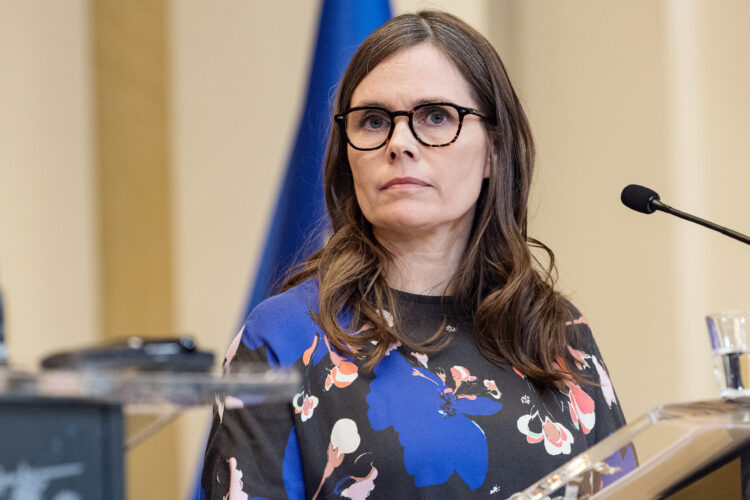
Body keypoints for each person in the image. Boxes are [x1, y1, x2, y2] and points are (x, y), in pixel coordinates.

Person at [203, 10, 633, 499]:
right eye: (372, 121)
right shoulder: (284, 337)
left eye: (436, 117)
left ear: (494, 148)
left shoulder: (558, 332)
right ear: (347, 154)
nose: (400, 143)